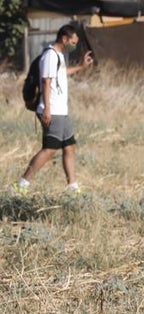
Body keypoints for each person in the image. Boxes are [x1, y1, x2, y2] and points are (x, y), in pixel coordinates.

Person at [13, 24, 95, 194]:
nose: (74, 44)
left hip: (61, 110)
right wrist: (47, 109)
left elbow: (61, 74)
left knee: (69, 146)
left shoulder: (58, 55)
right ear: (64, 39)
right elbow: (46, 82)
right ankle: (21, 185)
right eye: (73, 41)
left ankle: (73, 187)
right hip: (52, 110)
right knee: (50, 149)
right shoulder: (50, 56)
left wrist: (81, 66)